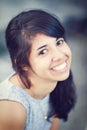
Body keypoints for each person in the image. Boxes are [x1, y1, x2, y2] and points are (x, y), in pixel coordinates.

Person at [0, 9, 77, 130]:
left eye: (59, 42)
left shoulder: (54, 80)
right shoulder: (12, 108)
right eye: (43, 51)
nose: (59, 56)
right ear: (22, 63)